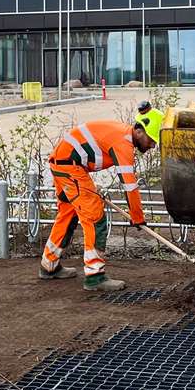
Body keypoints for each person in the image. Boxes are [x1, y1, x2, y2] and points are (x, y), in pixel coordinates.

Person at [39, 105, 164, 292]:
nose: (152, 146)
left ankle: (49, 265)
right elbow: (130, 186)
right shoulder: (123, 143)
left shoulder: (120, 135)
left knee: (68, 214)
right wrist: (137, 216)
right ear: (139, 131)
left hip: (64, 165)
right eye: (151, 140)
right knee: (95, 217)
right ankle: (95, 275)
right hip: (69, 168)